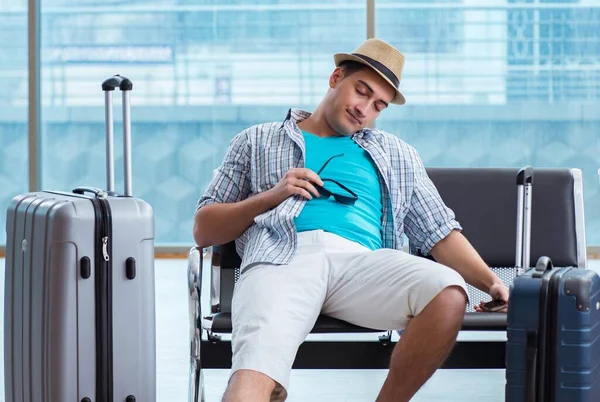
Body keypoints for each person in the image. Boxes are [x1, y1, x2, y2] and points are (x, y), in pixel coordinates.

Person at [193, 38, 509, 402]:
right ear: (335, 77)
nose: (365, 110)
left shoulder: (397, 154)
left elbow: (439, 231)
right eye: (362, 91)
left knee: (448, 291)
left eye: (378, 106)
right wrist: (272, 196)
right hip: (281, 258)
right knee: (252, 380)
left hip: (364, 263)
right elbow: (204, 229)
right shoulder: (258, 139)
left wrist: (490, 282)